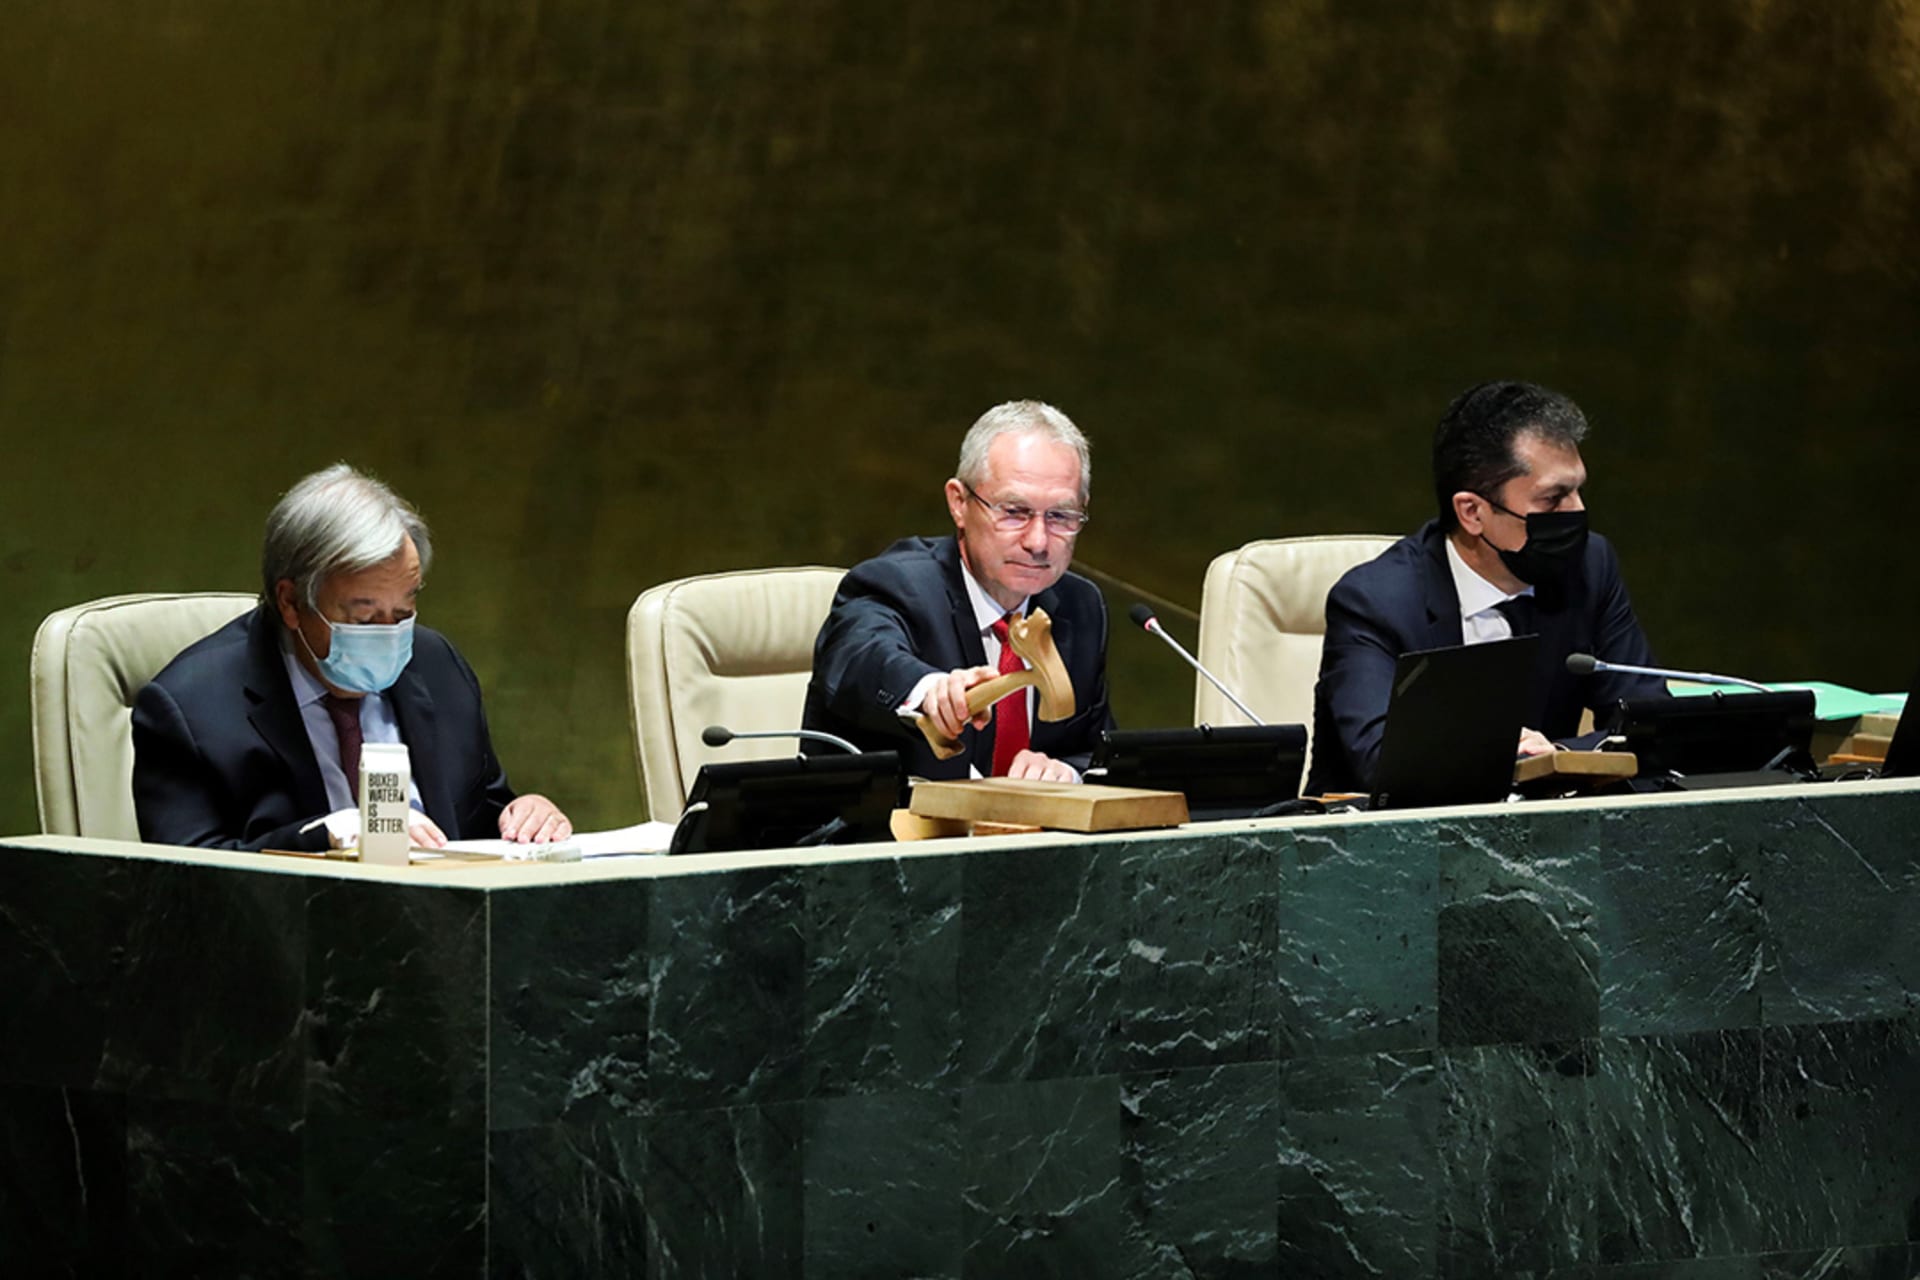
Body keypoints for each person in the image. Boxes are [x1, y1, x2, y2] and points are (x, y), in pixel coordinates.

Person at [132, 464, 570, 852]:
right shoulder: (189, 708)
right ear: (290, 603)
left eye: (403, 613)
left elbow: (480, 817)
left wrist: (525, 815)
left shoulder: (437, 664)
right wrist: (329, 835)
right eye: (363, 618)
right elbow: (186, 883)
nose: (389, 634)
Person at [1306, 380, 1663, 795]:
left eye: (1578, 490)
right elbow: (1381, 760)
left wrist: (1558, 756)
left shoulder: (1589, 567)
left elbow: (1652, 722)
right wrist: (1506, 754)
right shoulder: (1375, 602)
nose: (1577, 512)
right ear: (1472, 512)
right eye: (1553, 499)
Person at [803, 400, 1115, 781]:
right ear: (959, 503)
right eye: (1014, 511)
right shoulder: (896, 584)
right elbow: (859, 656)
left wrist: (1066, 773)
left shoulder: (1080, 606)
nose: (1038, 541)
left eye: (1060, 516)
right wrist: (930, 690)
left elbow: (1098, 753)